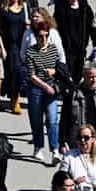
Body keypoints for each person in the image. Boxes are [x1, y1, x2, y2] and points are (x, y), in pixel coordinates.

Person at [25, 13, 65, 164]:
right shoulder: (31, 52)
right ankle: (38, 146)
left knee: (52, 119)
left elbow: (58, 67)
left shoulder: (53, 49)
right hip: (36, 88)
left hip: (51, 88)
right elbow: (31, 75)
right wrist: (45, 86)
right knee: (36, 120)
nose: (43, 39)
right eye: (40, 36)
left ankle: (54, 149)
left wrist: (54, 72)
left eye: (45, 36)